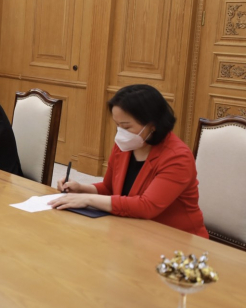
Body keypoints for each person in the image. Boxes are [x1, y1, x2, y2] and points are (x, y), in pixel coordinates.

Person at [50, 84, 209, 238]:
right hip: (134, 231)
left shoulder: (177, 157)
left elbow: (146, 206)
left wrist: (87, 199)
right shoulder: (125, 145)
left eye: (126, 127)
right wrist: (81, 188)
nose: (121, 133)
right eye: (117, 125)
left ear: (153, 124)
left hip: (176, 239)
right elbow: (109, 188)